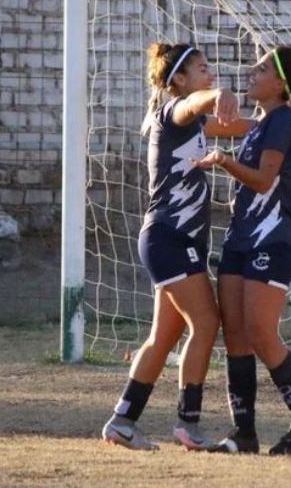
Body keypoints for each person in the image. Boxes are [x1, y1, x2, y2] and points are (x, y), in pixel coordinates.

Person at [102, 42, 251, 451]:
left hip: (173, 241)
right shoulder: (174, 111)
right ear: (179, 80)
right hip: (169, 239)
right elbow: (197, 104)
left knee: (163, 337)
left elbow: (241, 127)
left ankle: (122, 421)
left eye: (210, 69)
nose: (211, 74)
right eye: (202, 69)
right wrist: (216, 95)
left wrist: (276, 121)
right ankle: (187, 423)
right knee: (206, 323)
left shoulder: (193, 125)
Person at [192, 46, 291, 455]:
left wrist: (224, 161)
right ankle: (243, 432)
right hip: (240, 236)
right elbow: (203, 124)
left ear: (281, 84)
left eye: (263, 67)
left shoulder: (283, 121)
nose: (252, 70)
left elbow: (265, 181)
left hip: (272, 237)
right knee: (234, 332)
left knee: (261, 332)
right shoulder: (261, 121)